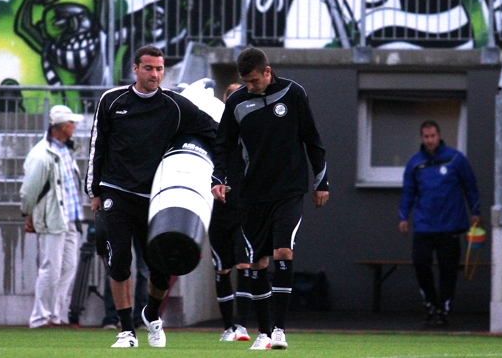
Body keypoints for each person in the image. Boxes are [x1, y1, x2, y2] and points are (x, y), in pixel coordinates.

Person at [85, 45, 218, 348]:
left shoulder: (174, 104)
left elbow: (213, 131)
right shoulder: (112, 100)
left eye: (159, 69)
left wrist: (225, 162)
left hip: (155, 197)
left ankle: (152, 314)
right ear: (136, 69)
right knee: (119, 261)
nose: (155, 74)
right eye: (149, 68)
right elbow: (97, 146)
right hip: (116, 192)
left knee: (161, 269)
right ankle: (126, 330)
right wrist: (94, 191)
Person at [211, 47, 329, 350]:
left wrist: (321, 181)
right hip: (252, 195)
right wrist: (217, 179)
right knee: (257, 263)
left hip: (289, 190)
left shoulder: (293, 93)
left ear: (267, 71)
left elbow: (312, 139)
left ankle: (279, 330)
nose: (249, 86)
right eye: (245, 81)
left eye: (253, 80)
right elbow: (223, 145)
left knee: (283, 251)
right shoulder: (237, 102)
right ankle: (263, 332)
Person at [399, 119, 481, 327]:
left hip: (450, 224)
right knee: (420, 262)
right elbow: (408, 191)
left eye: (433, 136)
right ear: (421, 138)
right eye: (426, 137)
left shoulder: (455, 159)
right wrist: (403, 216)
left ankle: (444, 307)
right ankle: (430, 301)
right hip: (425, 224)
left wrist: (475, 212)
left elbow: (470, 186)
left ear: (439, 136)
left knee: (448, 269)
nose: (430, 140)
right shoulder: (415, 163)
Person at [20, 104, 85, 328]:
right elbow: (29, 190)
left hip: (69, 218)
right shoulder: (41, 155)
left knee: (68, 266)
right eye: (71, 123)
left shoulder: (66, 150)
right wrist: (28, 215)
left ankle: (55, 315)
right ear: (61, 126)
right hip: (52, 217)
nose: (74, 126)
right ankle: (40, 318)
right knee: (51, 267)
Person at [208, 82, 252, 342]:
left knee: (245, 263)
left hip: (245, 208)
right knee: (222, 268)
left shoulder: (254, 130)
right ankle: (227, 329)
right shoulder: (214, 131)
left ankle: (242, 326)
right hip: (218, 209)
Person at [101, 238, 150, 330]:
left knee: (144, 271)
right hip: (120, 225)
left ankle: (141, 318)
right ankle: (113, 318)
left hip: (141, 225)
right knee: (116, 269)